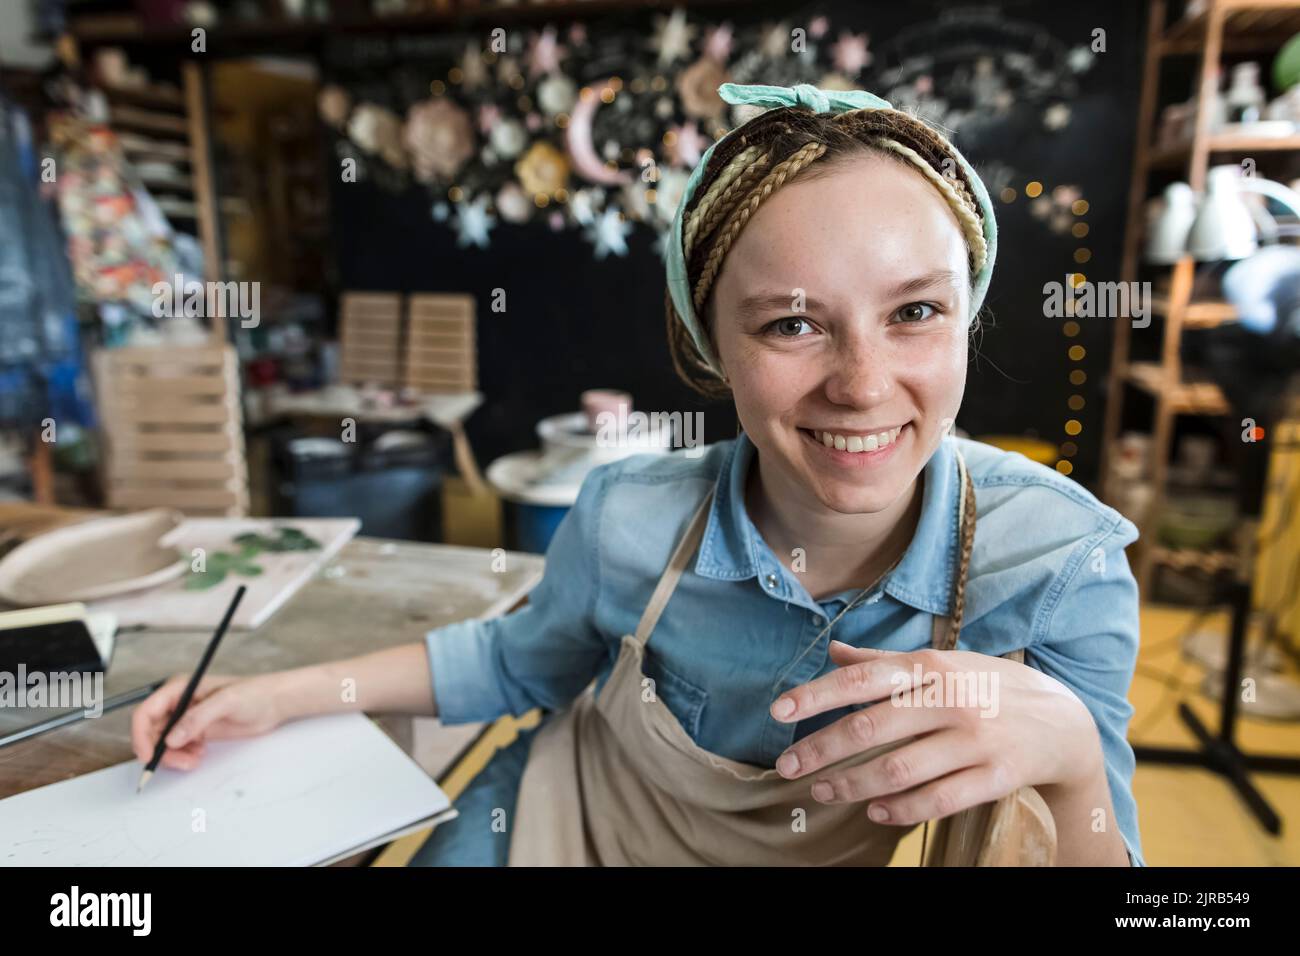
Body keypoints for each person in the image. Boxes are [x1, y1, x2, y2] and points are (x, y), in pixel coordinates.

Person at [131, 82, 1144, 866]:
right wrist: (277, 695)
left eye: (914, 311)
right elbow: (518, 660)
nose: (863, 383)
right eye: (792, 322)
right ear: (710, 342)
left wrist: (1067, 758)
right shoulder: (630, 516)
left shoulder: (1052, 566)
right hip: (556, 826)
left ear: (965, 316)